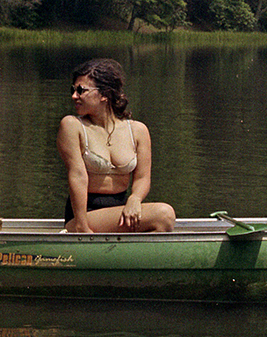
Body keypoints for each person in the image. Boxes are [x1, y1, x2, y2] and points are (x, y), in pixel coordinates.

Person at [57, 58, 177, 233]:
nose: (74, 96)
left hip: (121, 210)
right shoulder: (72, 126)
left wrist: (135, 199)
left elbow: (142, 178)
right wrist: (82, 227)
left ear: (104, 94)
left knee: (163, 220)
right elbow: (77, 177)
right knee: (164, 214)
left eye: (81, 90)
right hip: (84, 214)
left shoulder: (138, 130)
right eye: (73, 90)